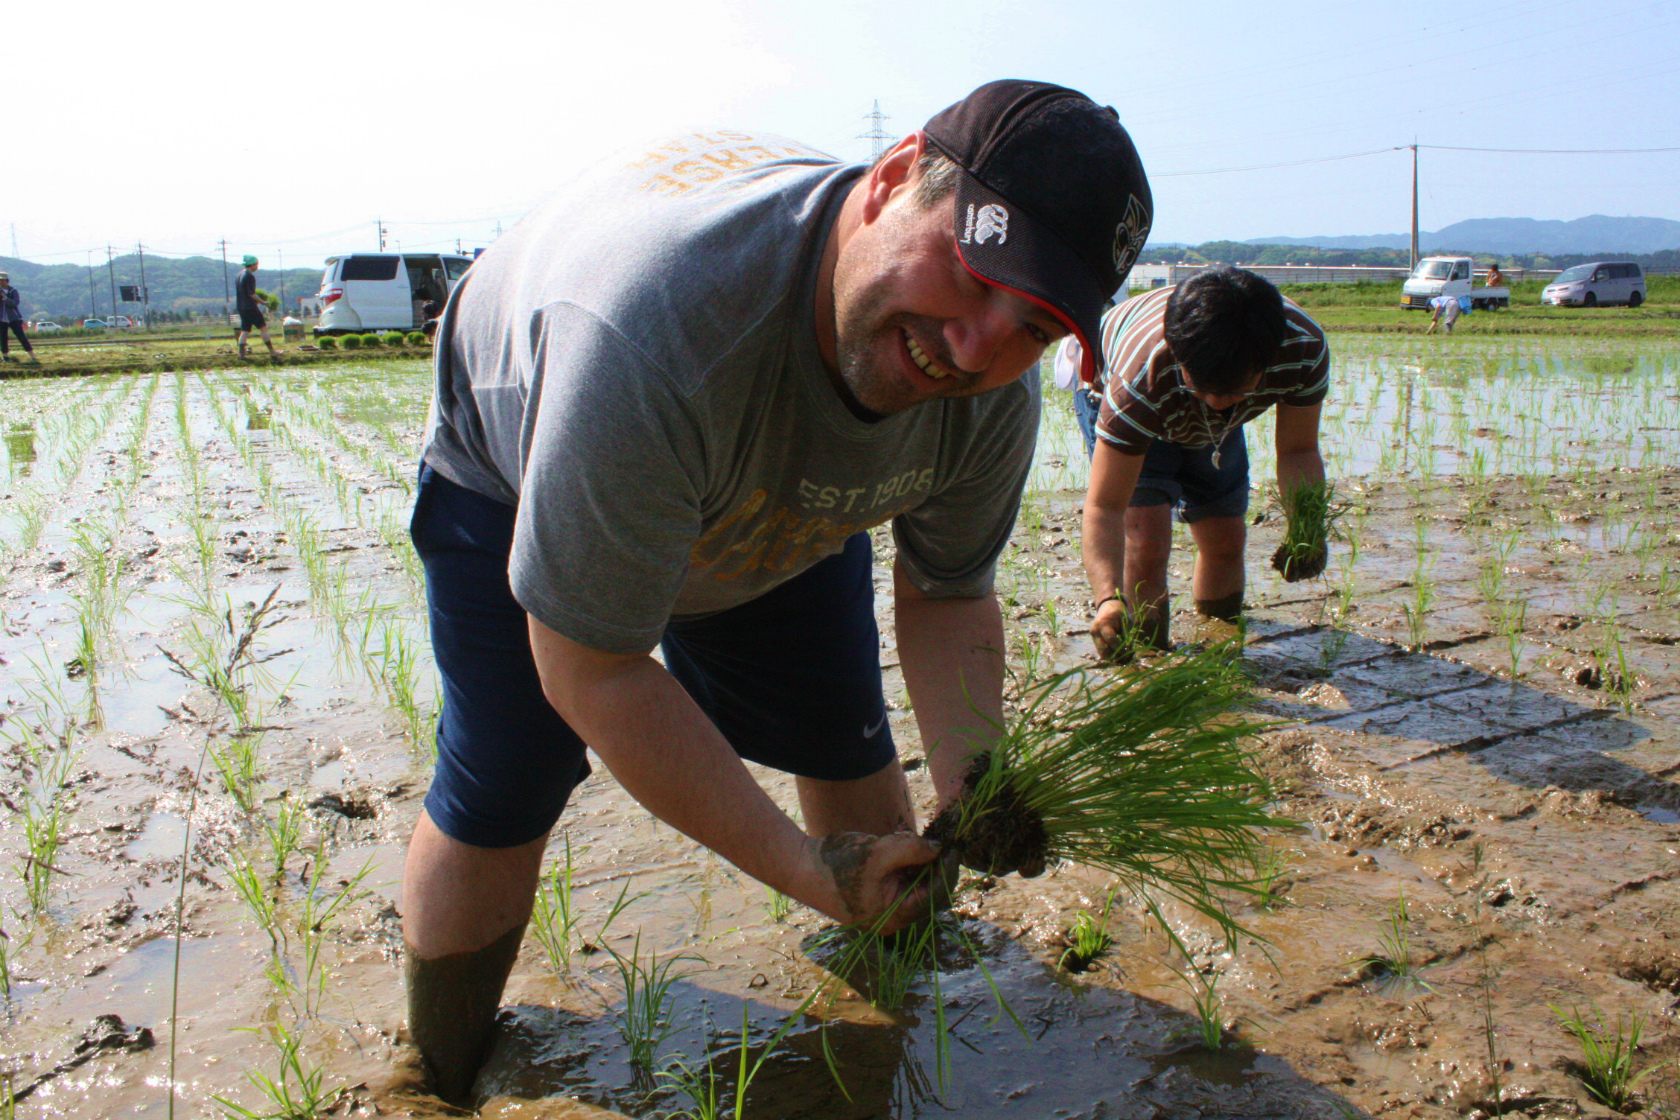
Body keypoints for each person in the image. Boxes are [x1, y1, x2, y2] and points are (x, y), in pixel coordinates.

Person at [406, 79, 1153, 1103]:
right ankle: (439, 1069)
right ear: (894, 178)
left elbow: (947, 593)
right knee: (509, 768)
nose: (975, 346)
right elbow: (597, 670)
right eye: (975, 274)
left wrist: (975, 782)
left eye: (1031, 325)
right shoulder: (652, 329)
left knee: (842, 736)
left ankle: (888, 1024)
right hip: (526, 444)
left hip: (778, 467)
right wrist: (805, 867)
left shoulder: (983, 399)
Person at [1082, 266, 1328, 656]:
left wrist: (1307, 527)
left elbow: (1298, 450)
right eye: (1203, 387)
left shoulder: (1302, 349)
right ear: (1179, 355)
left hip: (1218, 421)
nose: (1213, 403)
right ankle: (1149, 660)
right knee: (1146, 543)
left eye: (1232, 390)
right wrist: (1107, 599)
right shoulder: (1140, 379)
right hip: (1140, 398)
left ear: (1266, 363)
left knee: (1227, 537)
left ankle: (1220, 655)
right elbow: (1105, 505)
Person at [234, 254, 276, 359]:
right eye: (256, 264)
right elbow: (252, 294)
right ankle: (272, 352)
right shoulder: (249, 276)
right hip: (250, 307)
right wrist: (263, 302)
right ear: (251, 264)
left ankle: (241, 354)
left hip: (241, 307)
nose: (257, 266)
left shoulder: (239, 275)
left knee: (245, 330)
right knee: (263, 327)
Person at [0, 273, 37, 363]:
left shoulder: (13, 291)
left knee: (21, 337)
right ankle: (5, 357)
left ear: (6, 281)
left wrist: (5, 298)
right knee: (3, 338)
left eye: (3, 280)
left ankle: (33, 356)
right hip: (1, 319)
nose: (1, 282)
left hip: (14, 318)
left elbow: (15, 303)